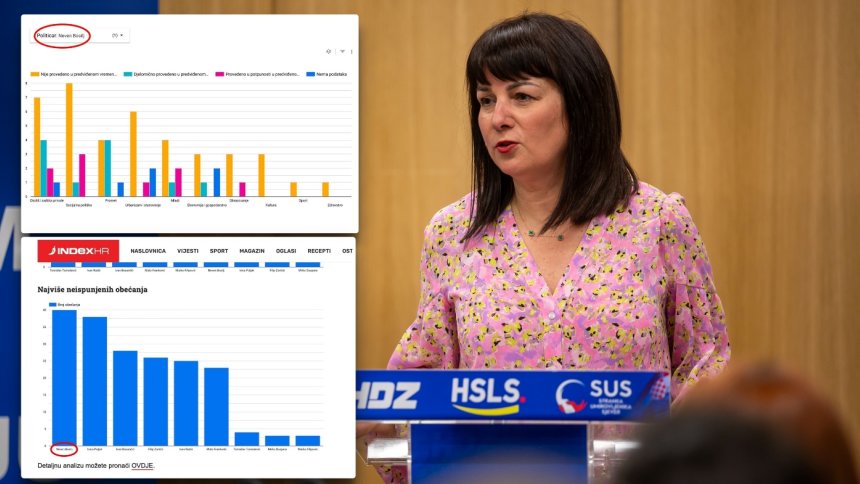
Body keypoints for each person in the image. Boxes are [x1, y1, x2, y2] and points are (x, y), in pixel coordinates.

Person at [368, 12, 730, 482]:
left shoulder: (658, 221)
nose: (497, 118)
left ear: (580, 104)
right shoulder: (453, 232)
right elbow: (423, 384)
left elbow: (705, 371)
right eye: (485, 100)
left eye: (521, 96)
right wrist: (378, 428)